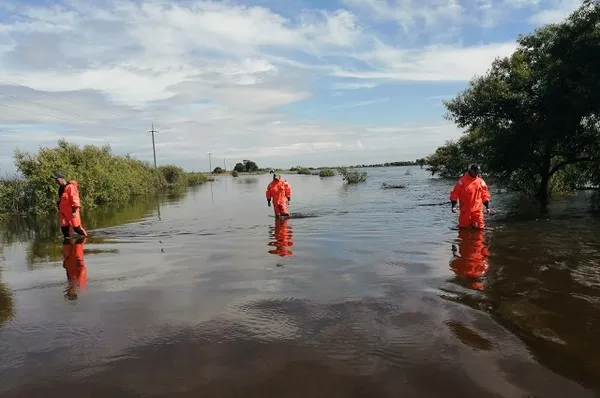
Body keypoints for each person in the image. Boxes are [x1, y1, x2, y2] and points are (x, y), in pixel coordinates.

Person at [449, 164, 491, 229]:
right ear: (471, 170)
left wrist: (487, 207)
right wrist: (453, 206)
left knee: (480, 228)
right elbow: (455, 193)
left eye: (478, 172)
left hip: (477, 209)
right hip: (465, 209)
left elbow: (484, 194)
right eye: (475, 172)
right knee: (463, 229)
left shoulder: (481, 181)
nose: (476, 174)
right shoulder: (462, 181)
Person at [54, 173, 87, 238]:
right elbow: (62, 199)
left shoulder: (70, 187)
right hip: (63, 212)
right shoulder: (61, 188)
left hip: (72, 211)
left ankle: (85, 238)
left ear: (63, 179)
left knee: (77, 228)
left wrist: (74, 210)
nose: (56, 181)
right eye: (55, 180)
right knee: (64, 229)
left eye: (57, 179)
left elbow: (75, 200)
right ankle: (68, 244)